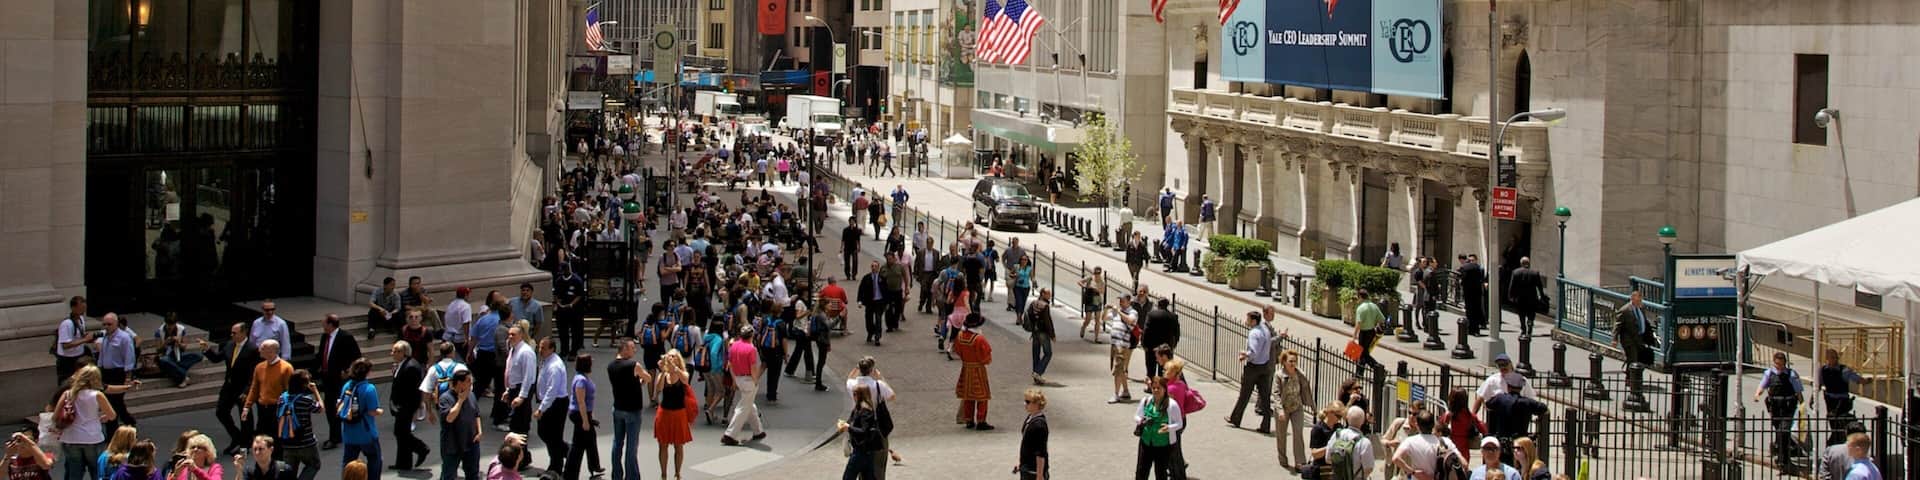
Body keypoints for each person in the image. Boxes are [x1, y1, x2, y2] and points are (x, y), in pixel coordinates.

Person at [58, 366, 118, 480]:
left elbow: (56, 415)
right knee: (96, 472)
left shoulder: (67, 394)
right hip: (92, 437)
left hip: (70, 437)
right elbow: (112, 415)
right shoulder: (97, 394)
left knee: (74, 473)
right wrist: (101, 418)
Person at [315, 314, 360, 451]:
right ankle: (335, 436)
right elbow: (321, 354)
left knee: (342, 407)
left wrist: (347, 371)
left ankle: (347, 434)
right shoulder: (325, 337)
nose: (322, 325)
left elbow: (356, 356)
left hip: (340, 380)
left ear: (330, 324)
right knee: (330, 408)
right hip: (327, 378)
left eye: (324, 323)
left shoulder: (345, 337)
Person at [608, 339, 652, 480]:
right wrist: (641, 380)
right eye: (632, 348)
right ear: (625, 349)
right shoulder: (633, 365)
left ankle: (616, 475)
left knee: (617, 443)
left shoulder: (611, 366)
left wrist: (637, 382)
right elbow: (648, 378)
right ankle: (631, 476)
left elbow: (624, 383)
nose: (635, 350)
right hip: (632, 410)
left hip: (618, 408)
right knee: (631, 446)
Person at [1226, 310, 1276, 434]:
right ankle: (1266, 425)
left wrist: (1245, 355)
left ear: (1253, 321)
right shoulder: (1265, 329)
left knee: (1244, 394)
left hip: (1253, 367)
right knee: (1265, 397)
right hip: (1265, 366)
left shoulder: (1254, 333)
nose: (1246, 321)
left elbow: (1253, 352)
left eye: (1248, 319)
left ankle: (1235, 418)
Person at [1755, 351, 1805, 473]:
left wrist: (1802, 404)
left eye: (1781, 364)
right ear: (1774, 362)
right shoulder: (1769, 373)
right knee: (1779, 431)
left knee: (1784, 430)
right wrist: (1757, 394)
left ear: (1785, 363)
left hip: (1788, 407)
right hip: (1775, 407)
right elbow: (1763, 385)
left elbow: (1798, 391)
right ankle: (1783, 457)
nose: (1779, 367)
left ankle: (1784, 460)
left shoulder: (1791, 374)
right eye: (1777, 364)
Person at [240, 339, 293, 453]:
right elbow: (254, 388)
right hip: (263, 409)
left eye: (263, 348)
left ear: (272, 351)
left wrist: (288, 411)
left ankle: (277, 465)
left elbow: (289, 392)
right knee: (262, 439)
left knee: (277, 440)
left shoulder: (286, 368)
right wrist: (247, 406)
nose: (259, 350)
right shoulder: (259, 367)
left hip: (278, 409)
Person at [1483, 374, 1548, 465]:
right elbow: (1544, 409)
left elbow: (1488, 405)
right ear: (1521, 388)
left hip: (1502, 443)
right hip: (1520, 444)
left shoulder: (1500, 399)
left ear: (1508, 387)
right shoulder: (1527, 402)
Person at [338, 358, 384, 479]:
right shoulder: (369, 388)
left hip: (349, 432)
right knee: (375, 459)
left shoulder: (347, 386)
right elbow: (372, 411)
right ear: (368, 372)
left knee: (348, 461)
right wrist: (380, 411)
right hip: (366, 432)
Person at [652, 350, 695, 480]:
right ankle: (663, 474)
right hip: (664, 413)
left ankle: (677, 473)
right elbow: (658, 390)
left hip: (679, 413)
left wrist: (674, 368)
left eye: (673, 356)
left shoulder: (683, 373)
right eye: (669, 356)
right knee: (662, 445)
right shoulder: (663, 375)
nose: (670, 358)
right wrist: (664, 371)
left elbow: (685, 379)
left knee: (678, 445)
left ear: (678, 359)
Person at [531, 338, 571, 474]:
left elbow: (552, 391)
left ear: (552, 349)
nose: (540, 350)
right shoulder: (546, 360)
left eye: (543, 348)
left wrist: (541, 409)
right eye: (540, 347)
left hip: (556, 404)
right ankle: (563, 457)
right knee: (545, 434)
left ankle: (558, 465)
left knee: (553, 436)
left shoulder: (555, 366)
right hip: (550, 403)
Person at [1133, 376, 1185, 480]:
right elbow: (1136, 416)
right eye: (1153, 388)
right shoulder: (1146, 401)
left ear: (1164, 389)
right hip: (1146, 442)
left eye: (1159, 388)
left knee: (1161, 473)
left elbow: (1180, 423)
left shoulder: (1172, 405)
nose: (1156, 390)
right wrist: (1141, 421)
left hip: (1163, 445)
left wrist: (1169, 427)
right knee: (1141, 472)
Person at [722, 326, 768, 446]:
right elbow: (753, 367)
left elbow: (730, 364)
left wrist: (734, 380)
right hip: (748, 379)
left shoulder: (734, 345)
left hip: (737, 377)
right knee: (743, 407)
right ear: (751, 336)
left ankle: (758, 431)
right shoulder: (751, 349)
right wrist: (755, 380)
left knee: (749, 404)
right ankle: (730, 434)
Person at [95, 313, 140, 431]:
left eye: (109, 324)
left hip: (118, 373)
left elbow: (129, 357)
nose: (106, 327)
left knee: (114, 402)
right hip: (105, 372)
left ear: (116, 324)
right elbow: (102, 355)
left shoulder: (124, 337)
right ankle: (128, 420)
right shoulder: (104, 336)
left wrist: (128, 377)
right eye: (104, 324)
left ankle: (112, 430)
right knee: (115, 402)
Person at [276, 371, 324, 480]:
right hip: (306, 443)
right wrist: (315, 391)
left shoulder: (282, 399)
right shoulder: (306, 400)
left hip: (287, 442)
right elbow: (320, 408)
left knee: (289, 472)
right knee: (314, 465)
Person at [561, 354, 602, 480]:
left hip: (583, 413)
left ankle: (594, 466)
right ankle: (571, 474)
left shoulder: (583, 378)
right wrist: (585, 421)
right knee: (578, 445)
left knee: (589, 440)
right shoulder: (581, 381)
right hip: (579, 414)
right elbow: (581, 401)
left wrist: (590, 417)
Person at [1274, 349, 1315, 470]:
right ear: (1284, 362)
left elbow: (1306, 390)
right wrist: (1280, 410)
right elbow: (1276, 394)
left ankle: (1300, 462)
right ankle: (1282, 458)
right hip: (1284, 408)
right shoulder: (1279, 375)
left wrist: (1312, 405)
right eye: (1290, 361)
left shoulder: (1300, 374)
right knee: (1281, 435)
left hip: (1297, 407)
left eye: (1295, 361)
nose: (1293, 363)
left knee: (1298, 432)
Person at [1816, 348, 1864, 444]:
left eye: (1836, 358)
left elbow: (1856, 379)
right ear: (1827, 359)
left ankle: (1833, 443)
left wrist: (1865, 381)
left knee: (1840, 424)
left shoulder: (1844, 370)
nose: (1835, 360)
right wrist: (1813, 398)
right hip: (1830, 400)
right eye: (1832, 358)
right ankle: (1834, 442)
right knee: (1833, 423)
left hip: (1842, 401)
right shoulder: (1823, 370)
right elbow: (1818, 385)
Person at [500, 325, 538, 441]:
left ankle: (522, 451)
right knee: (514, 422)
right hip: (514, 388)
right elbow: (511, 370)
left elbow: (528, 376)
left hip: (521, 389)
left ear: (521, 335)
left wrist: (521, 396)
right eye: (509, 334)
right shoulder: (513, 349)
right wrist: (508, 390)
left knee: (520, 424)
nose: (510, 337)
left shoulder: (526, 352)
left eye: (513, 335)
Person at [838, 385, 886, 480]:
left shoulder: (865, 411)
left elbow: (864, 431)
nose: (853, 396)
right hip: (865, 452)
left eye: (855, 394)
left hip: (861, 452)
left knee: (848, 477)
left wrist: (848, 428)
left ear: (861, 395)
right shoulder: (858, 408)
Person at [1473, 354, 1537, 417]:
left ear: (1511, 364)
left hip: (1517, 418)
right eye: (1500, 365)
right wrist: (1472, 417)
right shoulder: (1492, 380)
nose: (1503, 367)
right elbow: (1480, 398)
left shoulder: (1522, 380)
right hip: (1497, 419)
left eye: (1505, 364)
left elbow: (1531, 399)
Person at [1391, 410, 1447, 480]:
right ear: (1433, 425)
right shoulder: (1441, 442)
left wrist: (1412, 471)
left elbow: (1395, 458)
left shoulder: (1410, 441)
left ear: (1417, 425)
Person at [153, 313, 204, 388]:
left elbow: (184, 347)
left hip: (177, 355)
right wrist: (165, 343)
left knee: (199, 356)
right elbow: (158, 350)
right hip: (164, 357)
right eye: (168, 325)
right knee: (165, 360)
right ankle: (184, 376)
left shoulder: (181, 329)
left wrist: (179, 343)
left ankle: (176, 369)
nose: (170, 327)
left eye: (172, 325)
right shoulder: (159, 331)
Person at [53, 296, 94, 384]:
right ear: (73, 308)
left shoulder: (81, 319)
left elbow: (80, 336)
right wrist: (84, 340)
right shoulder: (67, 324)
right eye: (81, 308)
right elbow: (65, 345)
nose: (83, 311)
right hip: (67, 359)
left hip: (78, 356)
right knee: (67, 383)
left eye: (84, 308)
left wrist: (88, 337)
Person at [1107, 294, 1139, 404]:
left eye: (1122, 300)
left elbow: (1130, 321)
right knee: (1120, 369)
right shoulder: (1117, 311)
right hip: (1114, 344)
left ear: (1129, 301)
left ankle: (1116, 394)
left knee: (1118, 369)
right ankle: (1125, 391)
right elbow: (1105, 318)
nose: (1120, 302)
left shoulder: (1133, 312)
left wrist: (1119, 312)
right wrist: (1105, 310)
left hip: (1123, 345)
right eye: (1119, 300)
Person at [1444, 389, 1488, 465]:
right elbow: (1484, 430)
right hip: (1464, 449)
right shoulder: (1470, 416)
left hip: (1450, 448)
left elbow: (1440, 428)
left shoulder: (1448, 416)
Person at [1022, 289, 1056, 385]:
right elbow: (1047, 321)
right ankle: (1038, 372)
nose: (1050, 295)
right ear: (1042, 294)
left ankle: (1036, 377)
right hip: (1043, 332)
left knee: (1035, 354)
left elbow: (1028, 315)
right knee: (1048, 353)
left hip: (1035, 332)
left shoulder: (1033, 303)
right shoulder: (1045, 306)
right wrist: (1052, 335)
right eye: (1048, 293)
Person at [1506, 258, 1547, 337]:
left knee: (1521, 314)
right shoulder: (1535, 273)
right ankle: (1530, 324)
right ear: (1529, 263)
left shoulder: (1516, 272)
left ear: (1521, 263)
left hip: (1520, 298)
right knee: (1531, 313)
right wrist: (1542, 296)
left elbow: (1512, 285)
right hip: (1531, 297)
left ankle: (1523, 329)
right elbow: (1539, 286)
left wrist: (1510, 296)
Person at [1140, 299, 1179, 380]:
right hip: (1166, 347)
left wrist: (1144, 343)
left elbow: (1146, 330)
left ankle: (1151, 386)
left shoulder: (1151, 314)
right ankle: (1163, 387)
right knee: (1164, 369)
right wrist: (1173, 346)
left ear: (1158, 304)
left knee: (1151, 368)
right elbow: (1177, 333)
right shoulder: (1173, 316)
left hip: (1151, 346)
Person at [1351, 289, 1386, 374]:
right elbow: (1382, 319)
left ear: (1360, 297)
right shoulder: (1374, 306)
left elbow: (1358, 323)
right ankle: (1359, 373)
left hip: (1363, 333)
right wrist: (1375, 323)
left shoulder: (1361, 308)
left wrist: (1354, 336)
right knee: (1364, 353)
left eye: (1358, 297)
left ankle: (1379, 369)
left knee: (1363, 354)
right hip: (1371, 332)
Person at [1016, 390, 1049, 480]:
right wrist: (1021, 464)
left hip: (1033, 472)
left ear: (1037, 404)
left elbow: (1041, 452)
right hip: (1027, 468)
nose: (1024, 404)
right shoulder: (1030, 417)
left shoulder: (1039, 426)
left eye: (1027, 402)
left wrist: (1039, 475)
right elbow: (1027, 445)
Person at [1457, 255, 1488, 335]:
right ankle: (1476, 329)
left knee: (1469, 311)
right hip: (1477, 292)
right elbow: (1481, 279)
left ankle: (1471, 329)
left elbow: (1462, 279)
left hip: (1468, 292)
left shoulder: (1464, 268)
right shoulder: (1479, 268)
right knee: (1477, 309)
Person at [444, 287, 475, 360]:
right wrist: (467, 339)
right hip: (460, 339)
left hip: (448, 336)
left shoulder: (451, 304)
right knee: (468, 360)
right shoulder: (465, 306)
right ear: (465, 295)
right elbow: (466, 323)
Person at [1078, 268, 1106, 341]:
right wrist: (1085, 287)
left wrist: (1096, 289)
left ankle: (1096, 337)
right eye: (1095, 273)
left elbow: (1103, 291)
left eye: (1098, 273)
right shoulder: (1090, 278)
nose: (1096, 275)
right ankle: (1083, 327)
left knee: (1097, 319)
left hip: (1097, 298)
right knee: (1088, 319)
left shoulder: (1102, 281)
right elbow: (1079, 282)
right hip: (1089, 298)